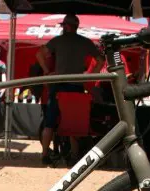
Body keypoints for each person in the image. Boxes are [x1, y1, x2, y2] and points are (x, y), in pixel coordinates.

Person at [36, 13, 103, 164]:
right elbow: (100, 59)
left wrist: (46, 71)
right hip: (76, 86)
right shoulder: (85, 42)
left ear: (66, 26)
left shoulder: (58, 41)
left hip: (58, 85)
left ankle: (45, 154)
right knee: (74, 123)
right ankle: (73, 155)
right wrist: (91, 75)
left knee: (50, 122)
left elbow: (39, 54)